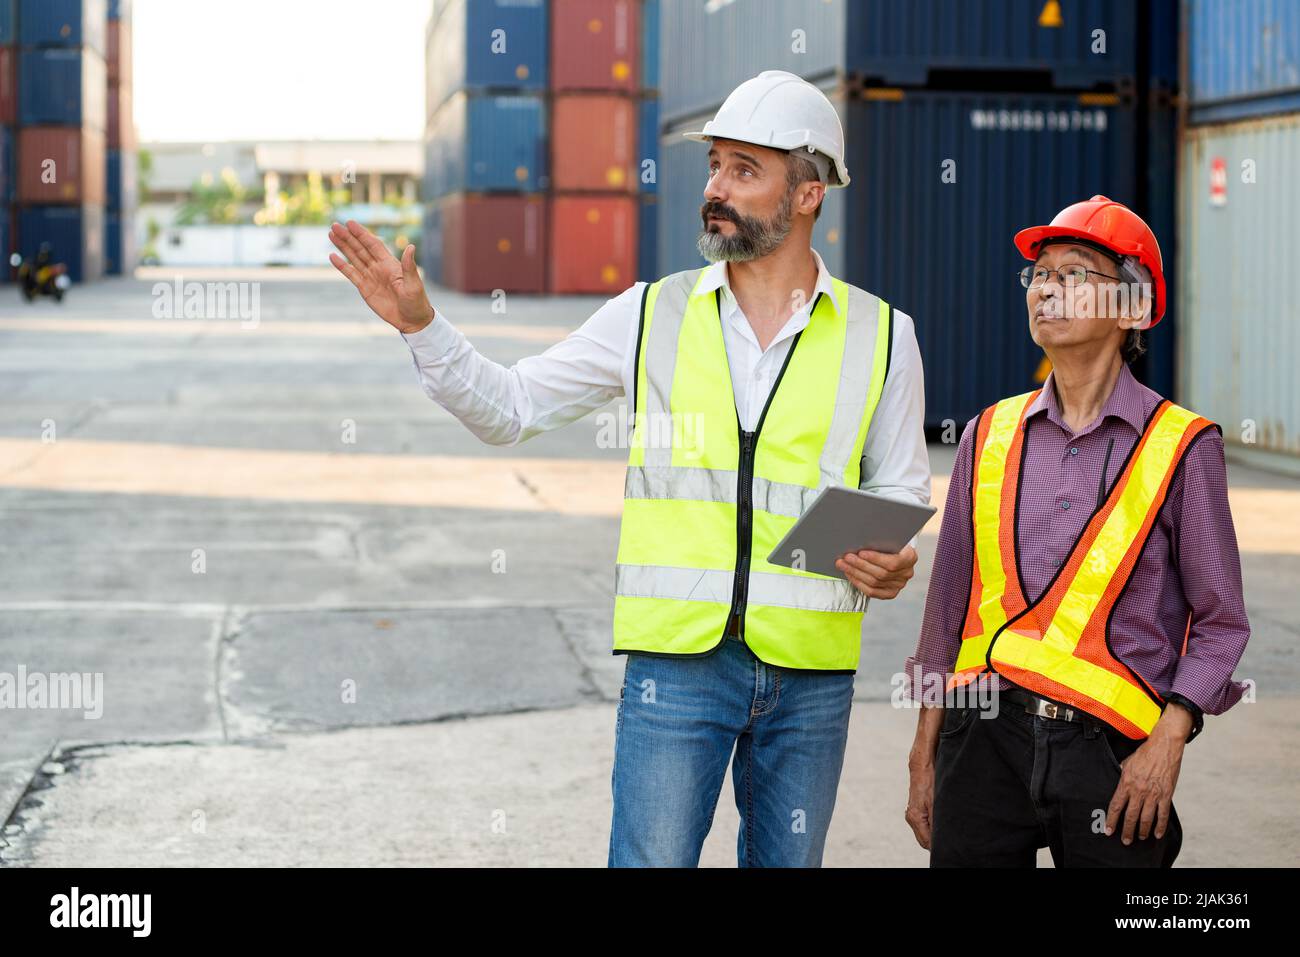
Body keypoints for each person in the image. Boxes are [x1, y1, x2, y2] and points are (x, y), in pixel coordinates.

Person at [329, 70, 930, 868]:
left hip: (812, 675)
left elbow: (902, 491)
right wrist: (424, 326)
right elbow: (510, 406)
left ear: (809, 192)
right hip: (677, 668)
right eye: (714, 164)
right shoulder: (651, 312)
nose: (715, 187)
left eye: (744, 170)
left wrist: (891, 563)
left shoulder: (883, 335)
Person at [902, 195, 1250, 867]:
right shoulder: (988, 433)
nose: (1046, 289)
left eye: (1075, 273)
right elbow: (948, 608)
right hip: (980, 742)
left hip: (1111, 759)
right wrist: (925, 747)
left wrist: (1169, 739)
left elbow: (1221, 622)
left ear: (1133, 307)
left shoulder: (1182, 445)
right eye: (1040, 274)